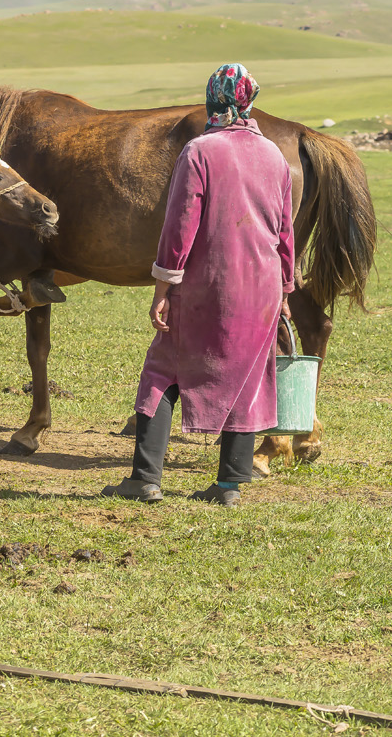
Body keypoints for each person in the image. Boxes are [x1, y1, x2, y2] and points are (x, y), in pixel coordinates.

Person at [104, 63, 294, 507]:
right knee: (247, 376)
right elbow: (286, 233)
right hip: (264, 285)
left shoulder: (200, 151)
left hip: (209, 283)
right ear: (250, 100)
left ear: (213, 99)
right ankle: (229, 485)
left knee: (163, 370)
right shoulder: (275, 158)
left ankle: (145, 478)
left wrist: (164, 286)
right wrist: (285, 291)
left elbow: (179, 226)